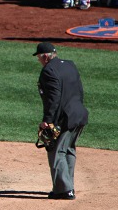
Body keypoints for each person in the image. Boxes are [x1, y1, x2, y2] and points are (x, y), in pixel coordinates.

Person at [33, 42, 88, 200]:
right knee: (69, 149)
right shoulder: (70, 65)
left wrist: (48, 120)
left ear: (45, 57)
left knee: (56, 151)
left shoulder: (48, 71)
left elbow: (53, 98)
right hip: (79, 114)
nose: (39, 60)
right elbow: (79, 90)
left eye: (39, 57)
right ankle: (68, 185)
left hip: (65, 117)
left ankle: (64, 190)